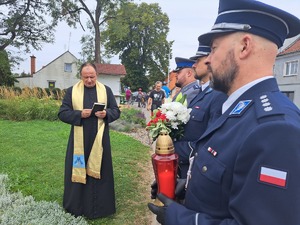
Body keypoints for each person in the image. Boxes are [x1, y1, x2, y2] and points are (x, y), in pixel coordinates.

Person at [148, 0, 300, 224]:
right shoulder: (238, 109)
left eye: (214, 49)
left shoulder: (276, 128)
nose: (208, 60)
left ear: (244, 46)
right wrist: (188, 187)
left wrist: (180, 218)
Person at [58, 62, 120, 219]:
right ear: (81, 76)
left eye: (92, 76)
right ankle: (77, 207)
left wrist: (106, 114)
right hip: (80, 141)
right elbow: (63, 113)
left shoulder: (106, 90)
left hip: (100, 139)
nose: (89, 80)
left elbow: (116, 111)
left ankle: (100, 208)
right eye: (86, 77)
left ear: (96, 75)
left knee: (100, 170)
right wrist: (79, 114)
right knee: (78, 170)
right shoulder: (72, 91)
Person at [173, 43, 227, 178]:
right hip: (186, 167)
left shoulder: (219, 95)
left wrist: (173, 148)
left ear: (211, 60)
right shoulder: (203, 93)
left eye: (198, 61)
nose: (194, 65)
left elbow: (210, 144)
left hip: (195, 170)